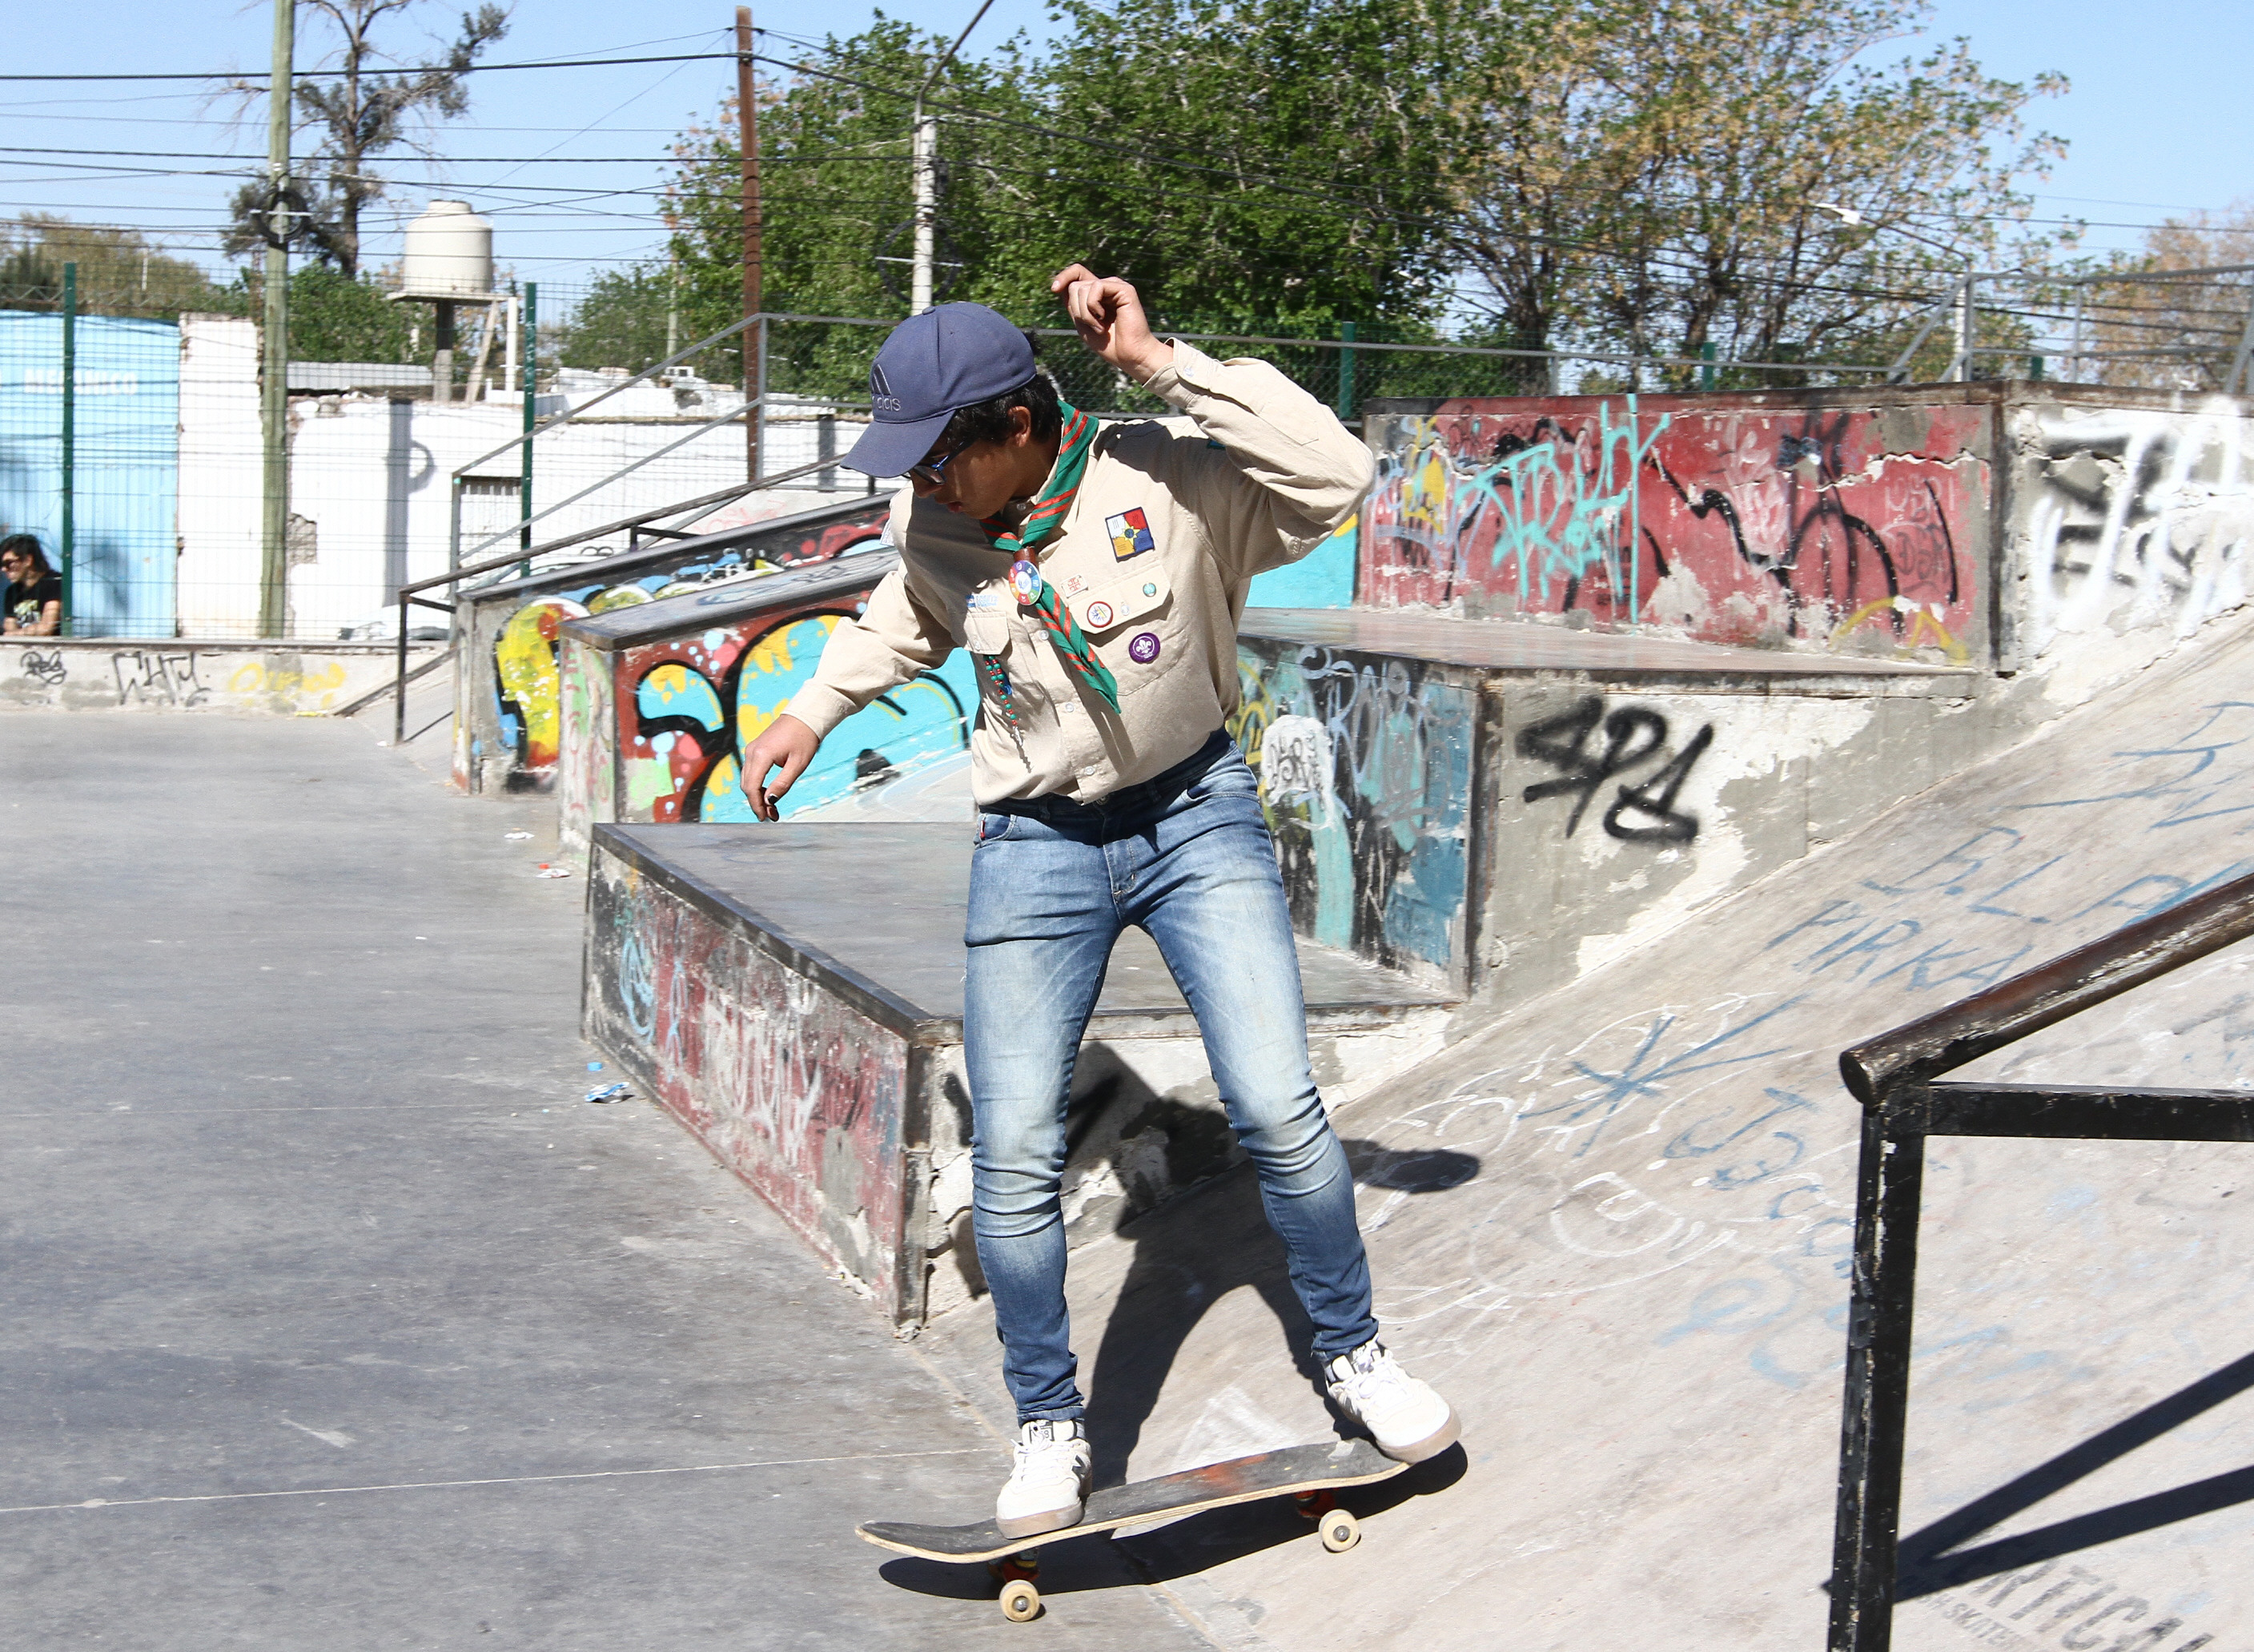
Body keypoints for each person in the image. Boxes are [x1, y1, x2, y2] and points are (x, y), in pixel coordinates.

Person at [741, 266, 1457, 1539]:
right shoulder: (935, 520)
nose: (920, 484)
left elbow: (1337, 476)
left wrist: (1159, 363)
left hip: (1195, 817)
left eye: (936, 458)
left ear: (1016, 425)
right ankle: (1046, 1424)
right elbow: (905, 611)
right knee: (1014, 1151)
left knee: (1277, 1107)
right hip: (1037, 842)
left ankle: (1354, 1353)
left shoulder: (1165, 475)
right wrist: (809, 708)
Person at [2, 535, 63, 636]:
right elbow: (9, 627)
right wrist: (15, 634)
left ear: (27, 560)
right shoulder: (12, 591)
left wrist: (16, 633)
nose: (4, 569)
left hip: (49, 644)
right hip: (20, 644)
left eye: (8, 563)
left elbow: (46, 628)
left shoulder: (54, 581)